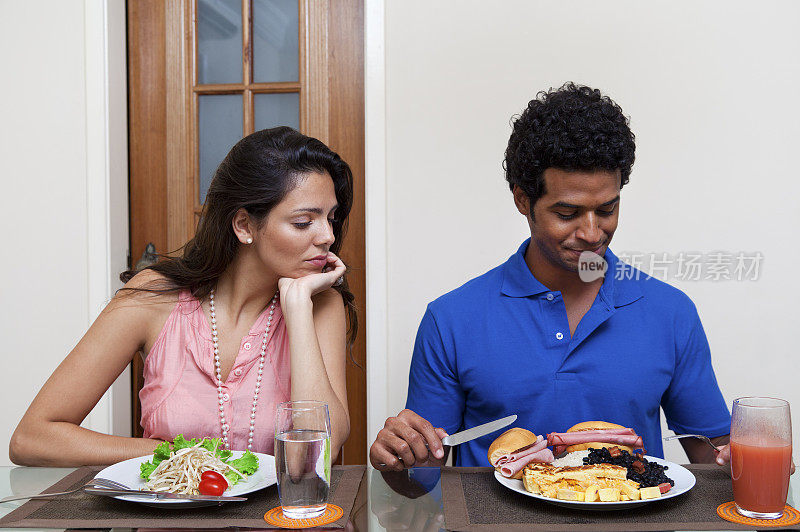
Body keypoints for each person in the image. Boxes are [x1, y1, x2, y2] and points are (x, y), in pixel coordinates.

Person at [370, 83, 735, 471]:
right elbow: (422, 482)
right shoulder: (452, 320)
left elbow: (714, 459)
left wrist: (742, 458)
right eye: (567, 213)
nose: (593, 233)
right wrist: (400, 462)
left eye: (607, 209)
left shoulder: (670, 312)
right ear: (522, 200)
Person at [10, 127, 355, 466]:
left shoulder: (320, 305)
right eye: (303, 222)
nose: (327, 235)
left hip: (276, 522)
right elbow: (32, 439)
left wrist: (297, 307)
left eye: (331, 218)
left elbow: (317, 456)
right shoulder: (153, 297)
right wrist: (181, 456)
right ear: (244, 226)